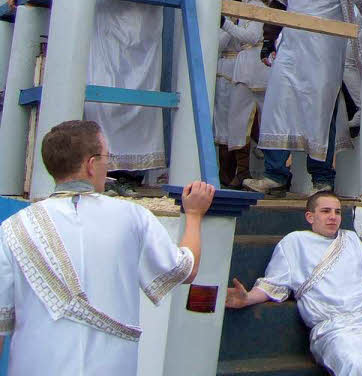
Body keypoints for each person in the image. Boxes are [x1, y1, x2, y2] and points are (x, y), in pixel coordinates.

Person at [0, 119, 214, 375]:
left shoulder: (14, 227)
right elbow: (185, 269)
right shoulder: (133, 217)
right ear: (91, 165)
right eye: (106, 157)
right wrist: (193, 215)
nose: (108, 164)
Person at [7, 0, 186, 194]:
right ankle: (104, 168)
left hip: (145, 38)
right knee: (106, 99)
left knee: (141, 102)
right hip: (108, 35)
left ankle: (133, 173)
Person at [226, 191, 362, 376]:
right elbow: (272, 286)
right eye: (325, 211)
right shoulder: (294, 243)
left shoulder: (350, 240)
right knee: (357, 364)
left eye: (338, 212)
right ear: (310, 217)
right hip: (332, 331)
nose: (333, 217)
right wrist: (247, 299)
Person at [244, 0, 362, 196]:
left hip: (325, 54)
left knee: (320, 112)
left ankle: (322, 178)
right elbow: (277, 4)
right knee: (278, 104)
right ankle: (275, 175)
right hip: (291, 48)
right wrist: (268, 40)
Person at [215, 0, 272, 188]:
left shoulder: (255, 7)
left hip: (253, 69)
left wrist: (225, 24)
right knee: (239, 121)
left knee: (245, 120)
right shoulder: (246, 6)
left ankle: (256, 172)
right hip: (246, 66)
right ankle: (242, 173)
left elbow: (252, 36)